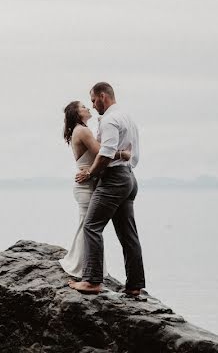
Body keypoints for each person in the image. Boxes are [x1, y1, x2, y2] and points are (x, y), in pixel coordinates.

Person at [68, 82, 145, 297]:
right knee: (128, 235)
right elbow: (129, 153)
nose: (92, 105)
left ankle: (92, 281)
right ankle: (134, 286)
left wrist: (90, 174)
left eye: (93, 100)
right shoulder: (126, 117)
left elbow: (105, 154)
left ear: (103, 96)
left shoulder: (110, 119)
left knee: (91, 226)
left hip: (114, 179)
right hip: (129, 177)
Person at [58, 100, 131, 278]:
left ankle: (84, 266)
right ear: (76, 113)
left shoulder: (81, 130)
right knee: (89, 226)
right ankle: (82, 269)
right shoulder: (82, 130)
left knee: (87, 225)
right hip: (86, 185)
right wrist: (123, 154)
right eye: (83, 107)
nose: (88, 107)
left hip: (88, 182)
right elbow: (102, 152)